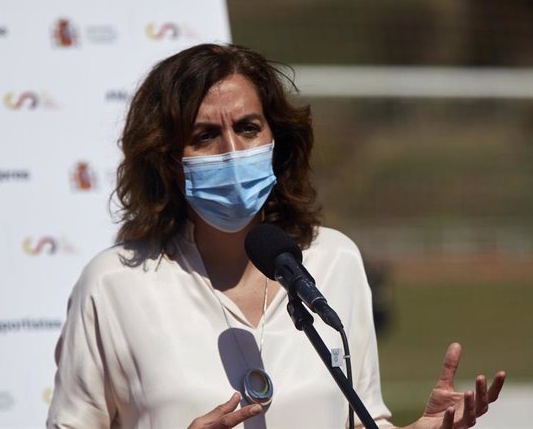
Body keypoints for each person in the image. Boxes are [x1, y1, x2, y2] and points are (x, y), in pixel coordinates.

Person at [46, 43, 506, 429]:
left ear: (275, 139)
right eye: (205, 135)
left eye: (247, 128)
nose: (231, 151)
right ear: (166, 157)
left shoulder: (334, 260)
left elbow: (362, 419)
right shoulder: (113, 285)